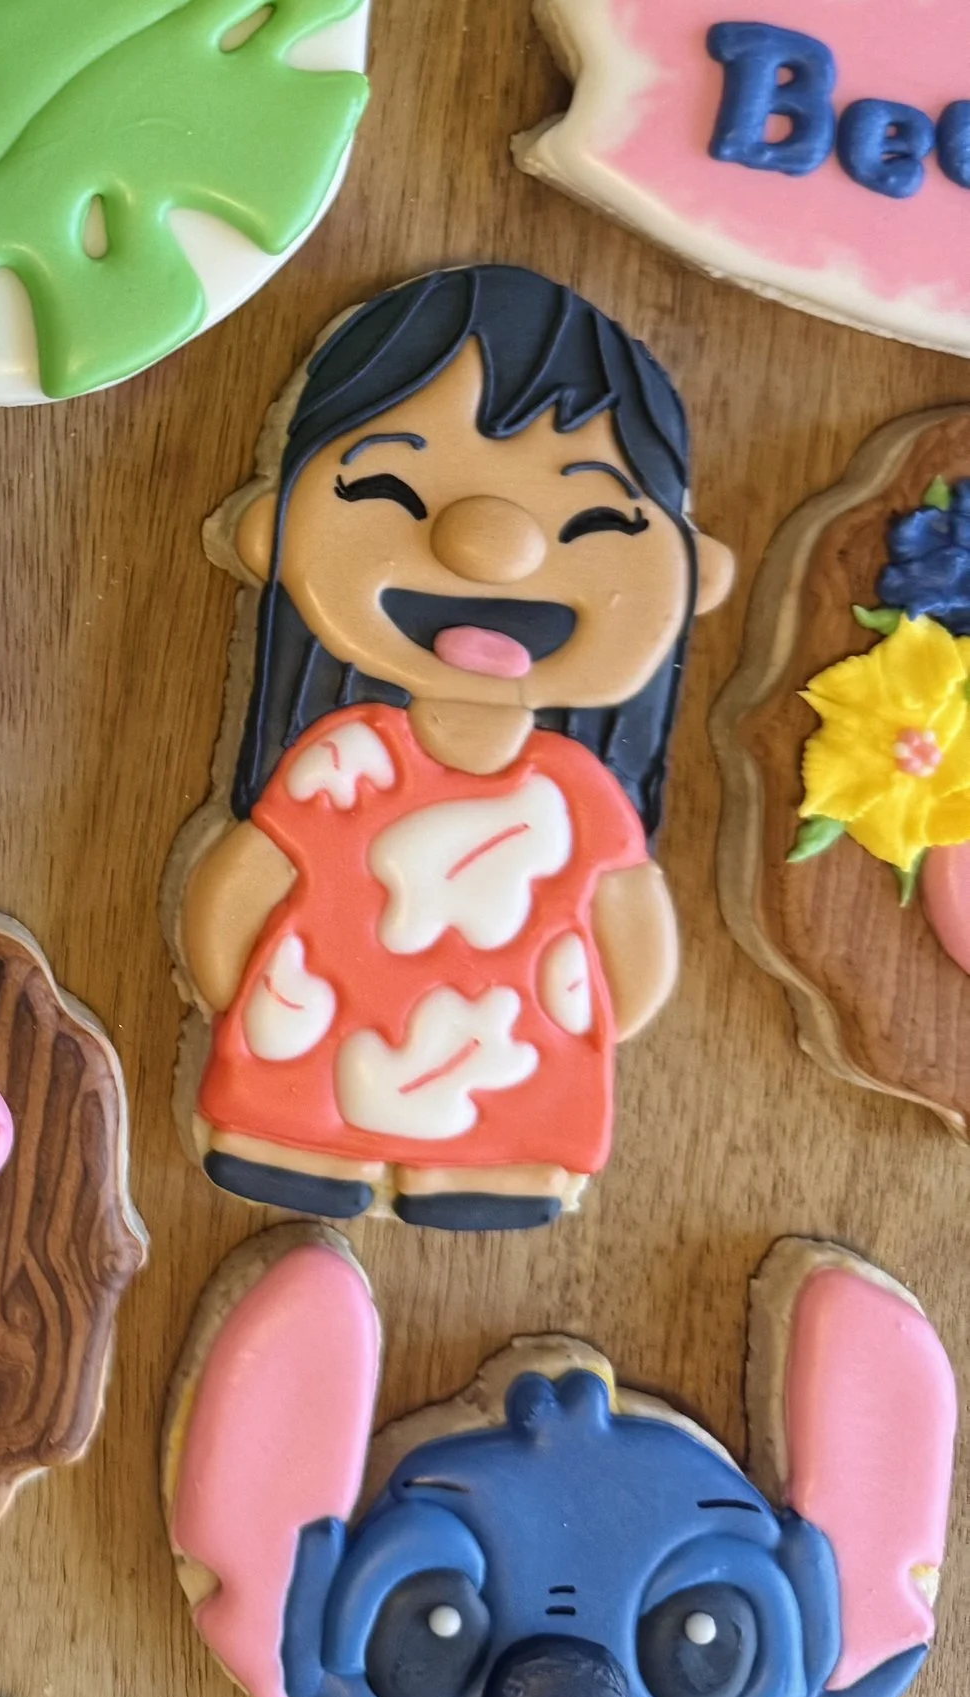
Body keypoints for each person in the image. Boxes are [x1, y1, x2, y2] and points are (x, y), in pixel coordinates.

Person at [179, 264, 733, 1227]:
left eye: (597, 519)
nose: (495, 544)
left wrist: (600, 1025)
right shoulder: (343, 761)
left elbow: (628, 915)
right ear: (271, 529)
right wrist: (240, 992)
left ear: (696, 574)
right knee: (291, 1136)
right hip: (301, 1051)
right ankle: (292, 1143)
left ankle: (496, 1169)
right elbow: (250, 872)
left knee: (500, 1153)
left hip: (516, 1071)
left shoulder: (579, 791)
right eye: (391, 486)